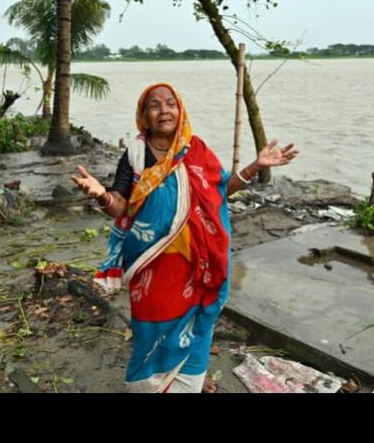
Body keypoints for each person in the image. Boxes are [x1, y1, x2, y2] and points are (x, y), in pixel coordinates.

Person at [71, 83, 298, 392]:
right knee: (150, 327)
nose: (164, 110)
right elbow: (120, 206)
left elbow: (220, 190)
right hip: (150, 264)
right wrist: (101, 194)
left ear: (180, 111)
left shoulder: (196, 150)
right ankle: (148, 385)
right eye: (154, 105)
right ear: (143, 117)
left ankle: (187, 384)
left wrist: (256, 166)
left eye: (170, 104)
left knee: (196, 324)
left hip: (194, 264)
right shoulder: (135, 154)